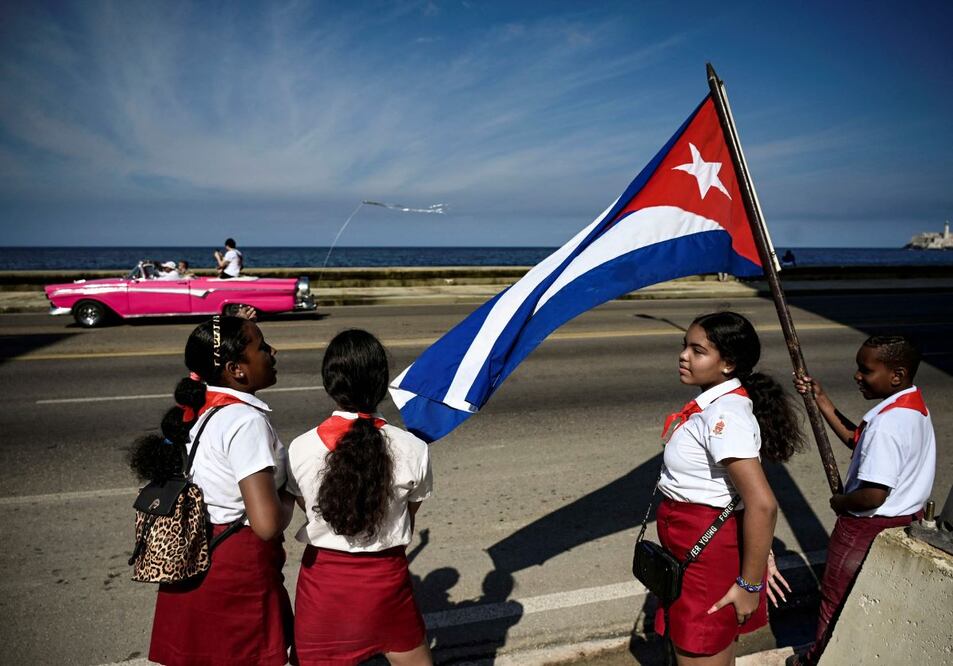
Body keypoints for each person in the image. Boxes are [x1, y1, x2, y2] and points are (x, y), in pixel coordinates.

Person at [128, 315, 294, 666]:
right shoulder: (246, 421)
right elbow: (265, 524)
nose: (272, 351)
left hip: (199, 554)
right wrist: (290, 494)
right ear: (236, 369)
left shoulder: (199, 409)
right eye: (262, 346)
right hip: (236, 569)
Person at [655, 311, 804, 664]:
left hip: (704, 554)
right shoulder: (713, 405)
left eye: (697, 350)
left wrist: (751, 585)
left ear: (728, 364)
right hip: (692, 547)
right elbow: (732, 492)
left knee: (700, 647)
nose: (684, 356)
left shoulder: (725, 415)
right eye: (684, 346)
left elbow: (761, 504)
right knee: (696, 648)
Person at [286, 329, 433, 666]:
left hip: (324, 585)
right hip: (386, 581)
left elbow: (308, 508)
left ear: (330, 383)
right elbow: (409, 513)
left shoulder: (301, 448)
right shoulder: (414, 449)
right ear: (382, 383)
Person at [788, 335, 935, 666]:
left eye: (865, 370)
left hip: (865, 527)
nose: (857, 376)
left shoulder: (887, 425)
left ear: (896, 375)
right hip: (903, 522)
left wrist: (841, 503)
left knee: (836, 599)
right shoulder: (913, 408)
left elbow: (872, 495)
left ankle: (818, 659)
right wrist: (821, 399)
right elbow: (858, 441)